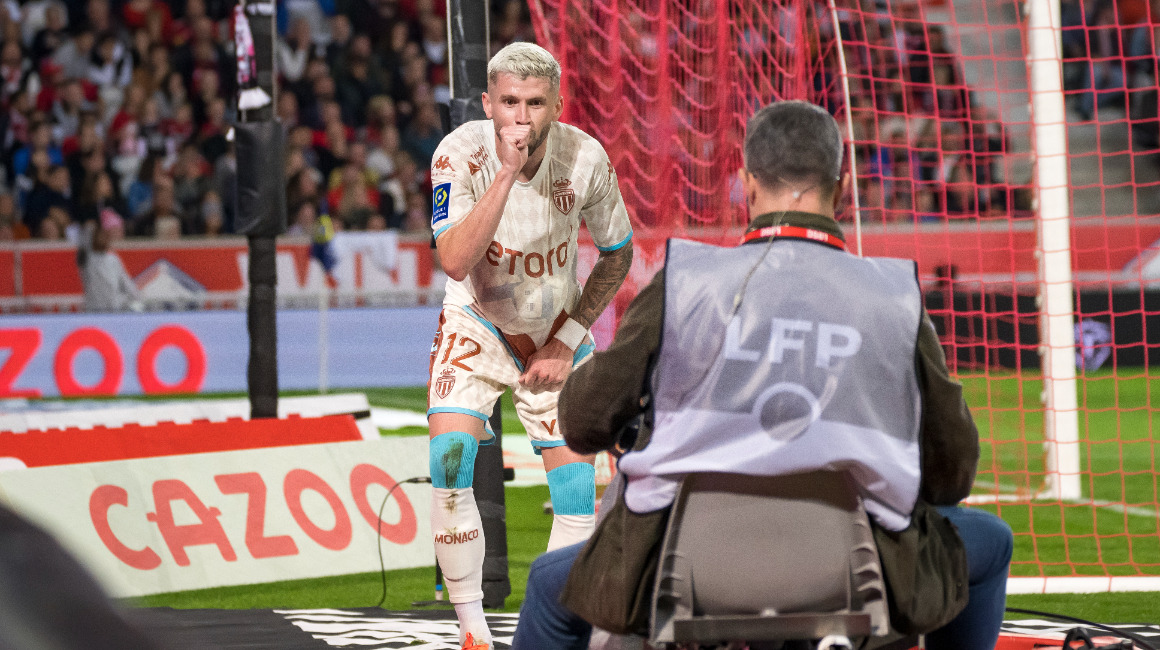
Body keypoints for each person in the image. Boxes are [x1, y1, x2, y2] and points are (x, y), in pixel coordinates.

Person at [511, 100, 1013, 650]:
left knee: (549, 585)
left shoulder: (684, 282)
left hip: (682, 566)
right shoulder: (896, 297)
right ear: (843, 188)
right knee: (991, 540)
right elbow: (952, 473)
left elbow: (582, 421)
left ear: (748, 184)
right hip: (860, 571)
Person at [426, 42, 634, 650]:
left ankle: (552, 633)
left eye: (536, 103)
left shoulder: (585, 157)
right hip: (477, 322)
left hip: (555, 332)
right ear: (487, 103)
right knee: (448, 461)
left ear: (558, 105)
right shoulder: (457, 154)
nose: (521, 117)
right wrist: (506, 173)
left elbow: (618, 253)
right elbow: (455, 261)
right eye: (510, 102)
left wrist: (567, 341)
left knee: (577, 495)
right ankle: (473, 632)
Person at [77, 220, 140, 312]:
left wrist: (137, 297)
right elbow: (83, 247)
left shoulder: (113, 258)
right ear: (93, 238)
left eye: (105, 236)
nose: (103, 238)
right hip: (94, 308)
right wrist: (89, 229)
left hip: (114, 308)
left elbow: (125, 281)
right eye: (99, 235)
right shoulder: (88, 260)